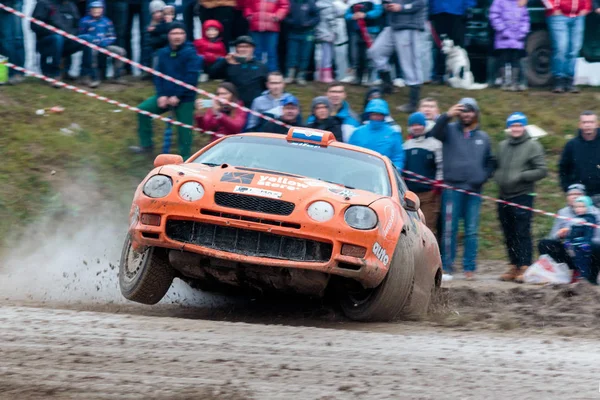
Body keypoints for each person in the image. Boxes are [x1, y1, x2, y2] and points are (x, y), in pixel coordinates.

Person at [430, 98, 496, 281]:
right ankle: (447, 266)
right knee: (449, 229)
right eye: (463, 111)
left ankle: (470, 267)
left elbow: (490, 162)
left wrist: (483, 177)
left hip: (474, 191)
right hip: (451, 188)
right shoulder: (449, 130)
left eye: (470, 111)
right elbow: (434, 132)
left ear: (476, 113)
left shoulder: (483, 137)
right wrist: (447, 115)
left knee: (472, 230)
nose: (467, 114)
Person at [131, 22, 202, 159]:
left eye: (181, 33)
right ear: (168, 35)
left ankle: (186, 158)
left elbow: (191, 78)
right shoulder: (163, 53)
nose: (178, 36)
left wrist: (178, 96)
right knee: (142, 110)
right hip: (165, 95)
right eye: (174, 33)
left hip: (185, 98)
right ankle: (146, 146)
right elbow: (158, 76)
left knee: (185, 130)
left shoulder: (191, 53)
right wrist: (161, 95)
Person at [495, 112, 548, 283]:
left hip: (523, 195)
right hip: (503, 196)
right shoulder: (502, 145)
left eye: (519, 125)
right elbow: (496, 164)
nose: (516, 128)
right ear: (509, 127)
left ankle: (525, 266)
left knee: (522, 232)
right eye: (513, 125)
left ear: (524, 127)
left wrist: (523, 175)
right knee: (508, 232)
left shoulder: (533, 146)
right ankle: (513, 265)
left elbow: (542, 170)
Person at [367, 0, 427, 113]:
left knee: (410, 64)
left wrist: (402, 7)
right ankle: (388, 85)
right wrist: (387, 5)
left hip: (409, 26)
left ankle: (414, 102)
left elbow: (421, 3)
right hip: (393, 25)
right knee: (375, 52)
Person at [539, 184, 600, 285]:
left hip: (588, 247)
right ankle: (561, 273)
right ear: (567, 197)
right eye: (571, 194)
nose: (575, 197)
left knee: (595, 246)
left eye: (578, 194)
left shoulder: (596, 213)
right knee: (545, 244)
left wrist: (583, 238)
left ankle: (591, 276)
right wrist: (560, 234)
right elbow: (552, 236)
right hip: (570, 247)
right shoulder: (562, 212)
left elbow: (598, 237)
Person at [402, 112, 443, 236]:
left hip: (429, 195)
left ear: (424, 125)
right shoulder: (405, 146)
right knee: (411, 229)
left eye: (419, 124)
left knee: (428, 228)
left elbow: (441, 166)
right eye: (413, 125)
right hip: (410, 196)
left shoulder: (435, 144)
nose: (416, 127)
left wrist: (437, 187)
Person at [542, 0, 591, 93]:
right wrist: (553, 8)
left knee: (574, 49)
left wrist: (586, 8)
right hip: (558, 15)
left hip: (577, 16)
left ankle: (569, 80)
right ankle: (558, 80)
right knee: (561, 47)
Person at [31, 0, 84, 84]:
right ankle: (55, 73)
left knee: (88, 38)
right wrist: (54, 32)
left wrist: (71, 34)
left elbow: (78, 26)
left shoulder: (71, 5)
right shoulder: (43, 3)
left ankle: (86, 75)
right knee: (57, 38)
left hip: (67, 40)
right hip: (48, 41)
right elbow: (34, 25)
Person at [214, 35, 269, 115]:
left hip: (254, 108)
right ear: (236, 49)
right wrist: (225, 61)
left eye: (246, 47)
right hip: (232, 108)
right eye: (240, 47)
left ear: (252, 48)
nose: (243, 49)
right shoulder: (229, 64)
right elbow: (213, 74)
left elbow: (268, 87)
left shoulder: (261, 66)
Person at [78, 1, 127, 88]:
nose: (96, 11)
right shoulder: (84, 21)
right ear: (90, 9)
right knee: (92, 54)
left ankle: (117, 76)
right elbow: (81, 35)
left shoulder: (107, 21)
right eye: (94, 8)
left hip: (105, 45)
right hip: (91, 46)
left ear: (102, 9)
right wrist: (93, 42)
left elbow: (112, 35)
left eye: (98, 8)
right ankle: (94, 77)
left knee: (121, 52)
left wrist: (105, 42)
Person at [349, 99, 404, 170]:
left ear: (384, 116)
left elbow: (398, 157)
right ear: (369, 114)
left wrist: (395, 172)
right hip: (357, 171)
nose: (376, 117)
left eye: (380, 114)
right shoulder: (357, 132)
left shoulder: (393, 134)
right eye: (374, 114)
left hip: (381, 176)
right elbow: (350, 154)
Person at [559, 111, 600, 207]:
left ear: (597, 124)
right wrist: (568, 189)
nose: (588, 125)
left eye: (591, 122)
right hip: (578, 196)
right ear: (580, 124)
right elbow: (563, 168)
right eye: (584, 122)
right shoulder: (571, 145)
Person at [429, 0, 475, 85]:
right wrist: (429, 7)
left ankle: (461, 76)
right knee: (440, 46)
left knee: (458, 47)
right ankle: (440, 75)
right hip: (438, 11)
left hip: (458, 11)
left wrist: (469, 6)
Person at [489, 0, 530, 92]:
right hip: (503, 39)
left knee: (515, 60)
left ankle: (514, 82)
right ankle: (504, 82)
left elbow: (525, 19)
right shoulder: (499, 2)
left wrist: (522, 32)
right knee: (503, 59)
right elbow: (494, 16)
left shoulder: (520, 2)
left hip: (517, 40)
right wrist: (503, 30)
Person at [344, 0, 383, 85]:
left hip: (371, 30)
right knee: (357, 54)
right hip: (356, 31)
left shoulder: (375, 1)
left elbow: (378, 11)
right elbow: (346, 14)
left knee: (369, 54)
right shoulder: (352, 1)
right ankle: (358, 77)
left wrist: (366, 15)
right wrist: (352, 16)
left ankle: (369, 77)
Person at [244, 0, 290, 72]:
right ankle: (256, 72)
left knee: (271, 52)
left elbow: (284, 6)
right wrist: (249, 15)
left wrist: (277, 16)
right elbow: (247, 5)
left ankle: (272, 72)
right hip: (256, 27)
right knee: (256, 52)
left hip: (272, 27)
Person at [283, 0, 320, 85]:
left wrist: (309, 23)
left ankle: (301, 76)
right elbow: (284, 16)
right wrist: (291, 22)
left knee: (305, 55)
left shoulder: (310, 3)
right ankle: (290, 76)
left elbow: (317, 17)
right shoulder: (290, 2)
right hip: (293, 32)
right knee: (292, 54)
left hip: (307, 33)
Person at [315, 0, 343, 83]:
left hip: (319, 31)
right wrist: (334, 31)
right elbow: (331, 20)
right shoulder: (329, 6)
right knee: (327, 55)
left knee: (321, 55)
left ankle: (321, 75)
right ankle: (326, 76)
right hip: (328, 33)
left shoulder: (317, 4)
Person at [0, 0, 26, 85]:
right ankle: (3, 75)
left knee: (12, 39)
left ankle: (16, 73)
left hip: (12, 3)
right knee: (4, 40)